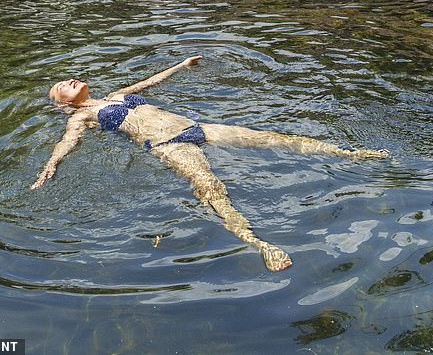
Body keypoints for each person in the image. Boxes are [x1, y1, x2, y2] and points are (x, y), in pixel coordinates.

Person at [31, 56, 389, 271]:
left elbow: (152, 80)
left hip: (196, 127)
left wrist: (182, 66)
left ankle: (349, 155)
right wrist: (51, 166)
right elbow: (67, 143)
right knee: (213, 191)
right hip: (170, 144)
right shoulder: (81, 118)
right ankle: (259, 243)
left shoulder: (116, 95)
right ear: (63, 103)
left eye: (69, 78)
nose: (70, 81)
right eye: (63, 85)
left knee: (273, 138)